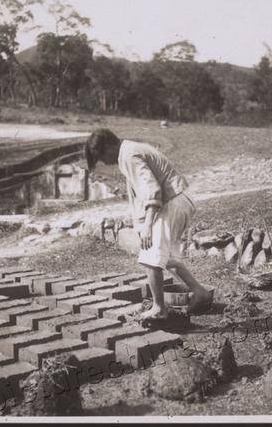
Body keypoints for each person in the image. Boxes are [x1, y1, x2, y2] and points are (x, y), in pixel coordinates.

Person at [84, 128, 213, 320]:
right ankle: (200, 293)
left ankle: (159, 308)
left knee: (150, 256)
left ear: (109, 146)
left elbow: (152, 190)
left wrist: (147, 226)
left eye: (101, 156)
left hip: (172, 202)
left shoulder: (128, 155)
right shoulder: (131, 150)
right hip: (179, 199)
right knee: (168, 258)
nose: (103, 162)